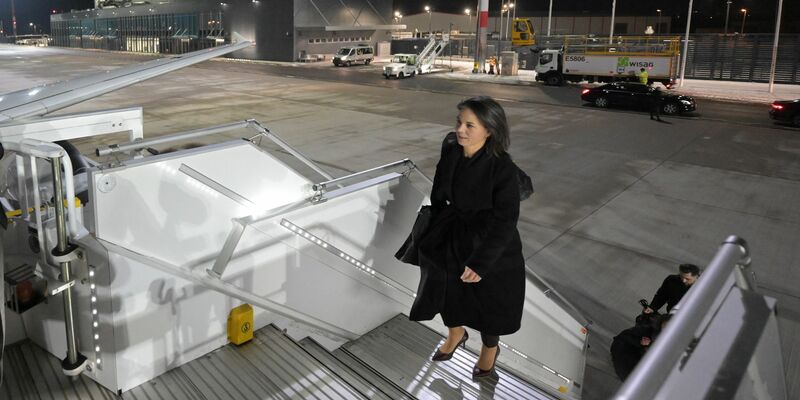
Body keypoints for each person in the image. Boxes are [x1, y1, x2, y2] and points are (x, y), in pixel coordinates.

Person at [408, 96, 525, 379]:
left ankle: (489, 351)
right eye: (459, 122)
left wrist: (482, 262)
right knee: (447, 291)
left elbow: (505, 220)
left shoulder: (504, 170)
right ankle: (456, 333)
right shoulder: (451, 153)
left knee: (490, 304)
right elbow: (439, 192)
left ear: (490, 130)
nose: (461, 130)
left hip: (489, 246)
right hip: (453, 233)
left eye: (470, 125)